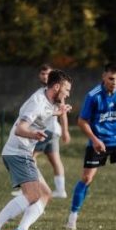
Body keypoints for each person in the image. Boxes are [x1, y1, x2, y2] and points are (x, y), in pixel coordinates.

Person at [0, 70, 73, 230]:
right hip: (18, 152)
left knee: (45, 195)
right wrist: (33, 133)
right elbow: (20, 128)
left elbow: (43, 113)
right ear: (56, 87)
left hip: (20, 152)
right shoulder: (37, 102)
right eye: (67, 90)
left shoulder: (46, 99)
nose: (68, 94)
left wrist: (58, 112)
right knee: (32, 195)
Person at [66, 64, 116, 230]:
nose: (114, 82)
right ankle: (73, 216)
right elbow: (82, 121)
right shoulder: (93, 96)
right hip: (100, 142)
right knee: (86, 178)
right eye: (111, 79)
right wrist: (95, 140)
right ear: (104, 77)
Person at [33, 65, 70, 197]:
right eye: (42, 73)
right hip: (52, 131)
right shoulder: (41, 91)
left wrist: (66, 131)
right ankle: (61, 191)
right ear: (39, 75)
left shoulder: (56, 91)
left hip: (47, 131)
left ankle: (32, 187)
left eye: (48, 74)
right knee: (55, 159)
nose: (45, 76)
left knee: (29, 156)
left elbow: (63, 112)